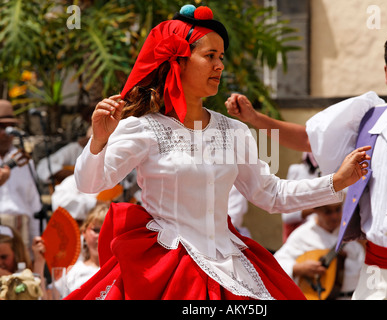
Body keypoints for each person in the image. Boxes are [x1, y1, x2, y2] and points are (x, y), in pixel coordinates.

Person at [65, 5, 370, 300]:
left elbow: (271, 194)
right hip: (168, 263)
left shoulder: (233, 131)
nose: (220, 65)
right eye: (209, 56)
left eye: (221, 57)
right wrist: (99, 142)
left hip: (229, 260)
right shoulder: (143, 128)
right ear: (178, 62)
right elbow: (90, 185)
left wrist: (338, 181)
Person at [226, 28, 387, 300]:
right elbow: (309, 139)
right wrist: (255, 118)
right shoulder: (365, 119)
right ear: (385, 70)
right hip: (373, 277)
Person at [274, 201, 364, 300]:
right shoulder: (303, 234)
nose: (334, 216)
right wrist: (299, 268)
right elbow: (276, 264)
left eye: (338, 210)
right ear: (316, 210)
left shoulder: (351, 234)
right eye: (327, 212)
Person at [0, 100, 42, 249]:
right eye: (1, 127)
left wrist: (35, 239)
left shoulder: (23, 161)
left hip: (20, 229)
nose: (6, 133)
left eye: (9, 127)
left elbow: (34, 203)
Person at [281, 152, 321, 242]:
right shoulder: (297, 170)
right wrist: (317, 208)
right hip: (300, 239)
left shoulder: (332, 171)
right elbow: (287, 215)